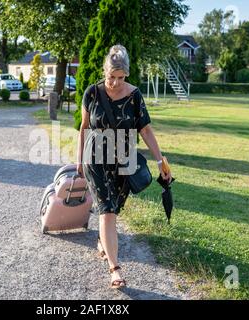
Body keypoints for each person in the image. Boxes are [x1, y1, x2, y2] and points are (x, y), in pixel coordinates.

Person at [76, 45, 172, 289]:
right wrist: (79, 159)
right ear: (104, 71)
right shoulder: (92, 93)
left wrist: (160, 160)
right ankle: (115, 269)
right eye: (111, 77)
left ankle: (102, 241)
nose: (116, 83)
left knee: (114, 208)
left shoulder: (135, 95)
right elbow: (84, 127)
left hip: (125, 159)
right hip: (96, 157)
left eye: (121, 78)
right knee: (107, 210)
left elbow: (146, 130)